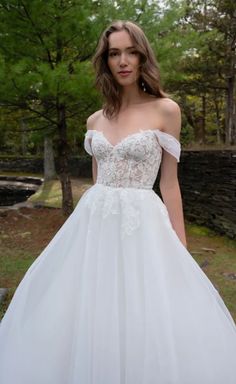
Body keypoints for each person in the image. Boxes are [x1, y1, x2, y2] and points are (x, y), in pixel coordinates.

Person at [0, 19, 235, 384]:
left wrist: (181, 250)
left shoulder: (166, 110)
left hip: (143, 225)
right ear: (105, 61)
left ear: (143, 57)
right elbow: (97, 182)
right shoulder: (95, 119)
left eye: (131, 52)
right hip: (94, 227)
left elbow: (170, 185)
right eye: (114, 53)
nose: (123, 60)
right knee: (90, 311)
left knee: (144, 312)